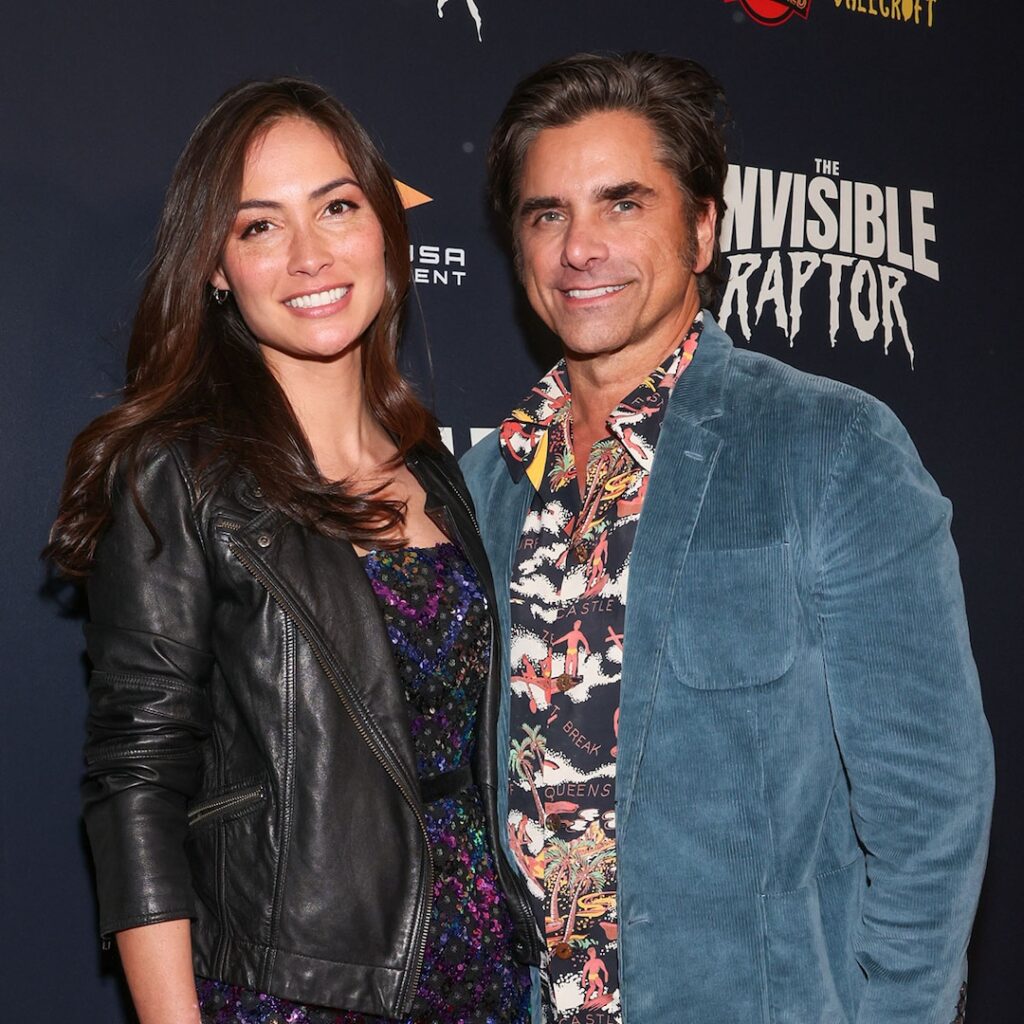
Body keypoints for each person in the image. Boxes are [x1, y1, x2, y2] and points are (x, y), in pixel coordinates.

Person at [461, 51, 994, 1024]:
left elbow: (930, 806)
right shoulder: (485, 484)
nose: (580, 248)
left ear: (702, 227)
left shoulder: (830, 447)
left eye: (622, 204)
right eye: (547, 214)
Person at [47, 78, 540, 1024]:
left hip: (483, 974)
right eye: (260, 226)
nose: (310, 255)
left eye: (337, 208)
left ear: (384, 229)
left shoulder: (434, 468)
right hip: (297, 989)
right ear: (216, 266)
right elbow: (135, 782)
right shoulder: (176, 473)